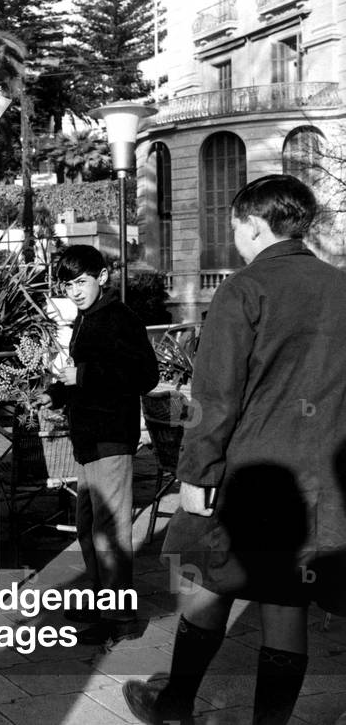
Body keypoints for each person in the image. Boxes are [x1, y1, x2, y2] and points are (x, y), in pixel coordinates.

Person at [122, 174, 346, 725]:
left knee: (211, 580)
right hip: (322, 479)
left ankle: (175, 704)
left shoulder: (243, 289)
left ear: (250, 224)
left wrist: (197, 474)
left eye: (235, 227)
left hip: (253, 475)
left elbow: (214, 396)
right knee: (287, 601)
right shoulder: (341, 288)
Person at [40, 245, 159, 646]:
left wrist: (82, 375)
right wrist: (55, 394)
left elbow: (145, 374)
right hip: (89, 439)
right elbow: (82, 378)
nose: (74, 291)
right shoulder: (89, 318)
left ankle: (120, 619)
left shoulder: (118, 318)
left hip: (110, 438)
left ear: (102, 276)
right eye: (68, 284)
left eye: (81, 281)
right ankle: (101, 601)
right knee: (90, 529)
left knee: (110, 531)